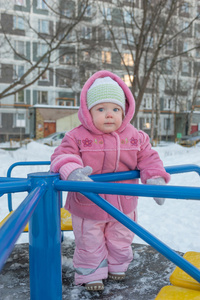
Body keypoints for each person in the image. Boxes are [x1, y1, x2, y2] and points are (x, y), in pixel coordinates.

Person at [50, 70, 170, 291]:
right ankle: (91, 273)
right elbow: (62, 155)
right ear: (88, 112)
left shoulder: (136, 136)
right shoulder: (77, 136)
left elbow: (149, 158)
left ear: (125, 111)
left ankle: (117, 266)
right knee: (89, 240)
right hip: (89, 203)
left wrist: (155, 178)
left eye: (116, 109)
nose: (109, 115)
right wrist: (73, 172)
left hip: (124, 203)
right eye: (101, 109)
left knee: (121, 236)